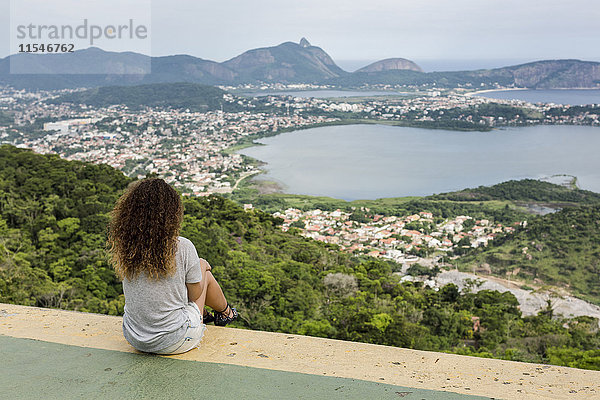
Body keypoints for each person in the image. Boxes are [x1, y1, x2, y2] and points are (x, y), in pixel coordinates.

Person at [107, 178, 238, 355]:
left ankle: (217, 313)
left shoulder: (126, 246)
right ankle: (226, 313)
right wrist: (203, 266)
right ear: (171, 214)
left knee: (187, 277)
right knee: (202, 267)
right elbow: (196, 294)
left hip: (134, 337)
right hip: (175, 340)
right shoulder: (182, 246)